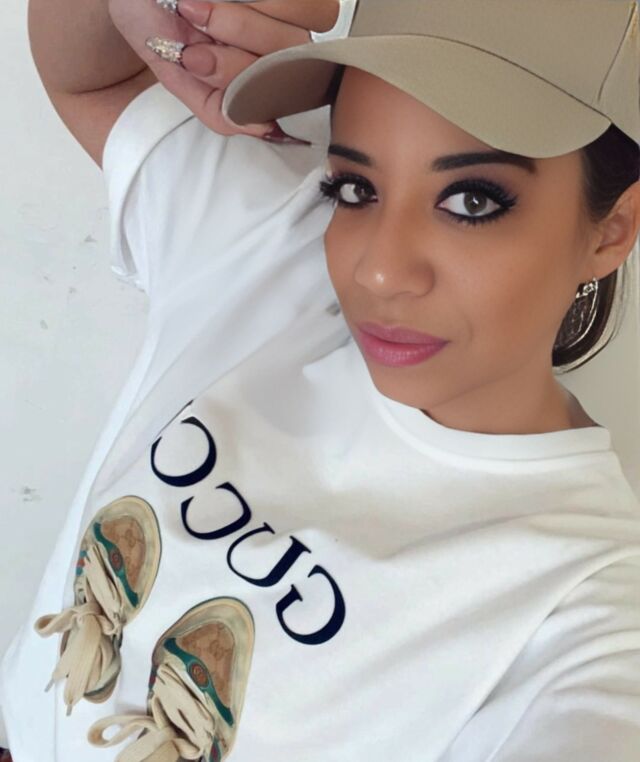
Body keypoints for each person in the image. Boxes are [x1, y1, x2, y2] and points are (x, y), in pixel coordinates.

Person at [2, 0, 640, 760]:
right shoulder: (273, 251)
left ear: (613, 228)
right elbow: (90, 78)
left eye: (471, 202)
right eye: (355, 187)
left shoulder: (584, 611)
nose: (378, 270)